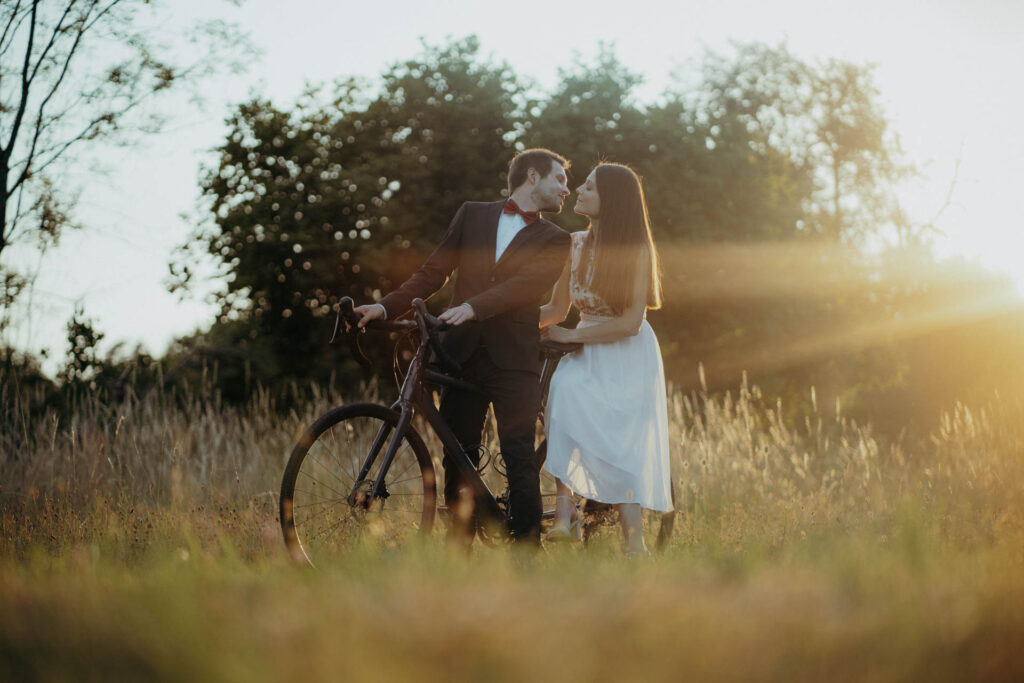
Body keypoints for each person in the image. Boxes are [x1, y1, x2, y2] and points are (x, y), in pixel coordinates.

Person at [353, 148, 572, 546]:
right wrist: (385, 305)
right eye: (560, 179)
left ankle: (526, 556)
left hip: (515, 360)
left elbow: (526, 286)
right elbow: (433, 271)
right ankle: (458, 559)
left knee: (519, 456)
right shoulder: (473, 213)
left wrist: (474, 307)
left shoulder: (556, 239)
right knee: (457, 457)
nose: (566, 190)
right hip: (460, 354)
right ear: (533, 176)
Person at [539, 162, 673, 555]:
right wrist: (507, 321)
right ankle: (566, 517)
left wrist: (570, 335)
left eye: (590, 187)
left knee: (620, 443)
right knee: (564, 396)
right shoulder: (573, 243)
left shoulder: (635, 248)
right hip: (582, 346)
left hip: (626, 351)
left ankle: (636, 545)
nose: (578, 189)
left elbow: (631, 323)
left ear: (610, 200)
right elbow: (557, 307)